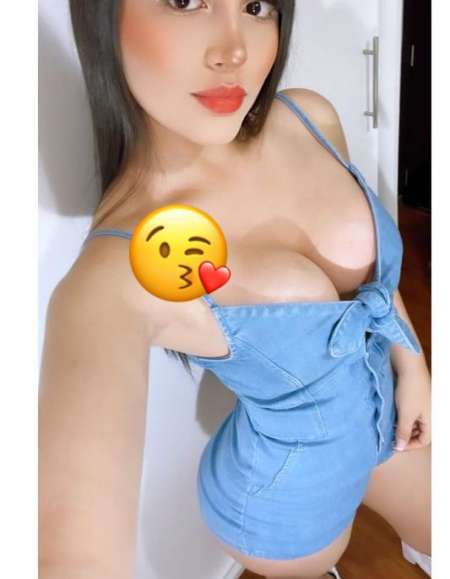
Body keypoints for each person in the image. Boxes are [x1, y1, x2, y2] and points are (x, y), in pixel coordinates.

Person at [39, 1, 431, 578]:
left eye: (256, 6)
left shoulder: (308, 117)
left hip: (390, 420)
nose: (236, 50)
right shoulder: (119, 271)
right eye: (185, 1)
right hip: (282, 505)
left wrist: (412, 361)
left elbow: (374, 280)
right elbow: (72, 554)